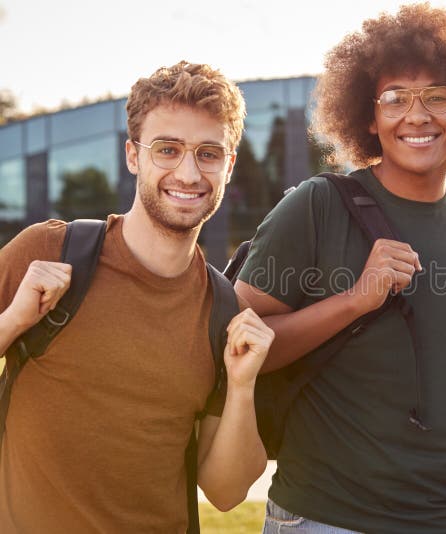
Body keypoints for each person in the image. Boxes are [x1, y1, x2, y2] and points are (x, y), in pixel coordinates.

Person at [234, 4, 446, 533]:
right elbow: (240, 345)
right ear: (369, 117)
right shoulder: (316, 206)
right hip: (323, 518)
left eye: (437, 97)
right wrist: (354, 300)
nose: (417, 115)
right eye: (395, 98)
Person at [0, 61, 273, 532]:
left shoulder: (224, 311)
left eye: (208, 154)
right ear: (133, 155)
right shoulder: (48, 251)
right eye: (167, 149)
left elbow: (227, 494)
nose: (188, 173)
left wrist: (244, 386)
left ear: (228, 165)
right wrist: (13, 321)